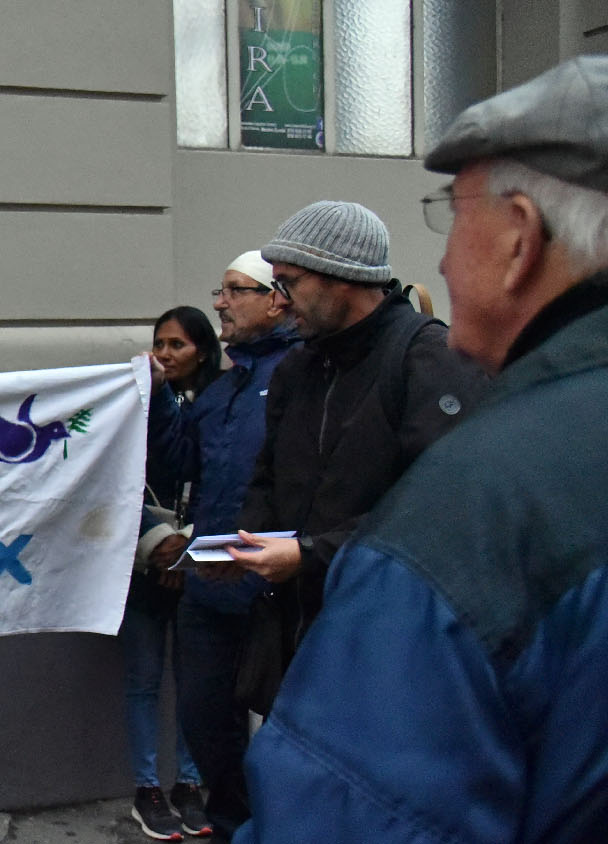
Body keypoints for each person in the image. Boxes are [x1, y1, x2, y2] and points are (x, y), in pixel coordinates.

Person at [237, 54, 608, 844]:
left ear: (519, 238)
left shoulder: (484, 502)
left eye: (453, 212)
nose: (438, 260)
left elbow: (355, 817)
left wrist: (312, 553)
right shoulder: (303, 372)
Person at [224, 203, 486, 722]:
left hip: (390, 655)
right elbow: (268, 478)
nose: (279, 302)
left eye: (289, 283)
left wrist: (312, 553)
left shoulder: (426, 358)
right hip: (292, 644)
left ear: (341, 279)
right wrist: (242, 546)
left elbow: (439, 508)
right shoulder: (298, 366)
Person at [145, 251, 298, 842]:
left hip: (278, 589)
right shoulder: (222, 388)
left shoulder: (303, 374)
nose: (219, 302)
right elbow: (181, 461)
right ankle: (236, 824)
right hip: (209, 590)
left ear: (274, 299)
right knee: (204, 720)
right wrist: (157, 396)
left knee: (286, 729)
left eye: (235, 291)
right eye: (222, 290)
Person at [124, 305, 219, 840]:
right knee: (142, 679)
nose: (164, 354)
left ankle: (189, 783)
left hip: (198, 564)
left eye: (177, 345)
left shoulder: (220, 403)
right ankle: (147, 788)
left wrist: (189, 553)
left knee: (193, 681)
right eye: (159, 343)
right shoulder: (138, 402)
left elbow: (219, 480)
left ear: (202, 351)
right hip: (144, 564)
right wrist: (157, 546)